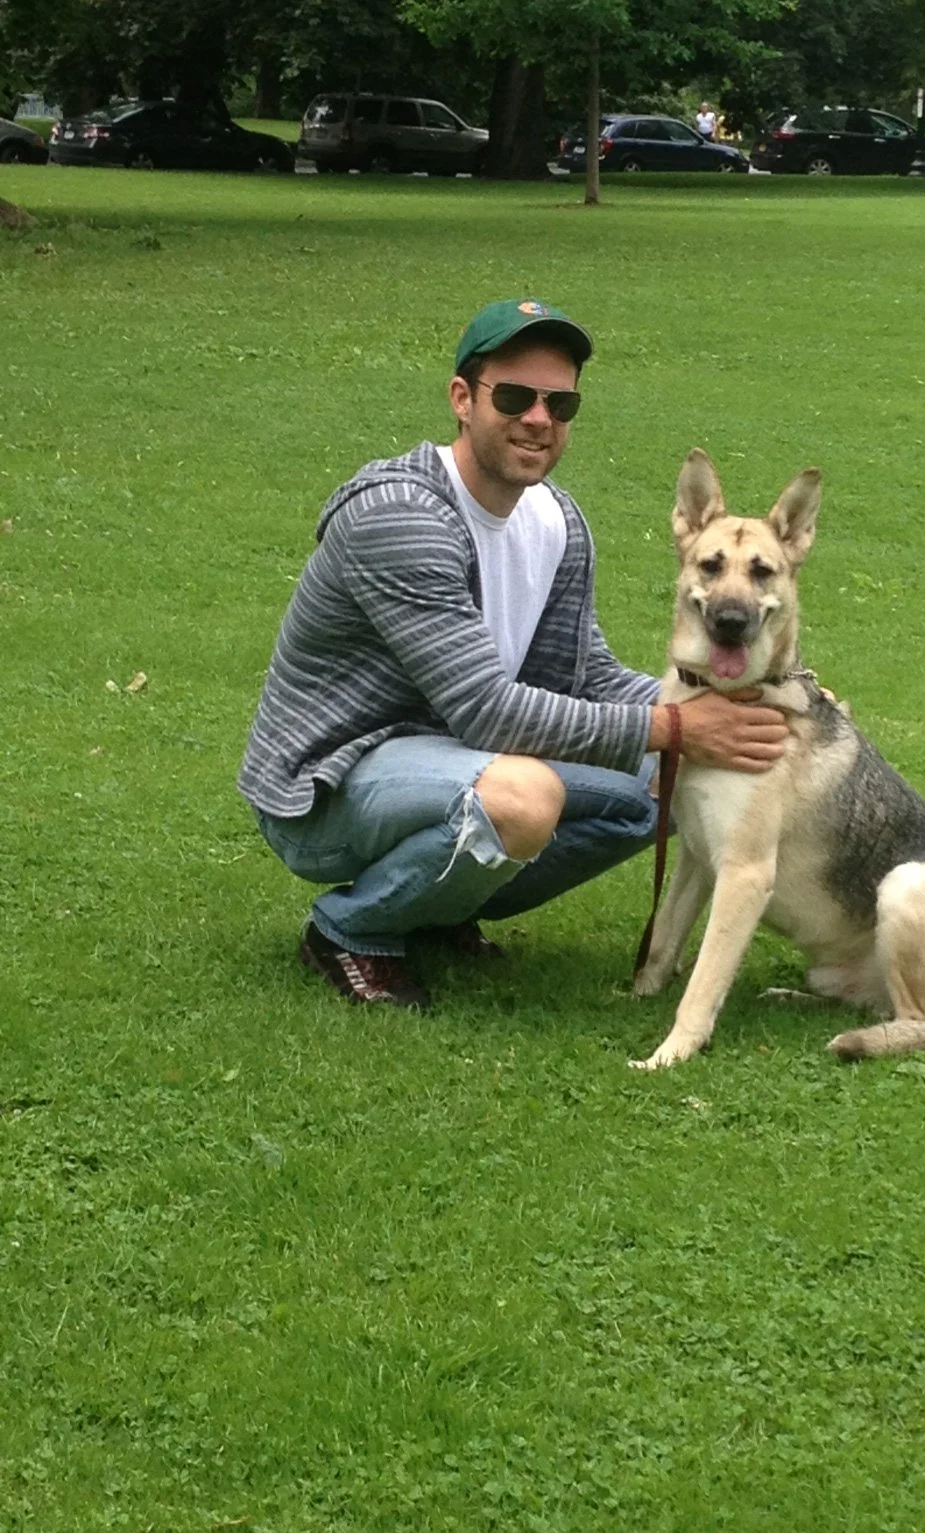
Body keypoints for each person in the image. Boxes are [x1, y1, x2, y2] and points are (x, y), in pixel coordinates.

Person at [238, 298, 788, 1009]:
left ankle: (432, 909)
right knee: (527, 799)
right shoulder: (400, 516)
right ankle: (350, 929)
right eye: (515, 396)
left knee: (670, 785)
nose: (538, 419)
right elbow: (488, 710)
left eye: (560, 403)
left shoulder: (556, 520)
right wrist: (678, 726)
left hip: (455, 762)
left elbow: (586, 674)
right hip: (330, 786)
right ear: (462, 399)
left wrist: (738, 708)